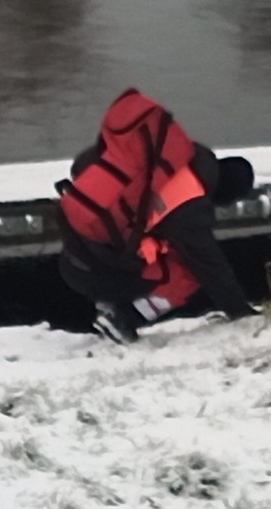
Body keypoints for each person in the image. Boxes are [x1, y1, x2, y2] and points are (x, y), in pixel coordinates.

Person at [55, 88, 260, 343]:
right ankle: (125, 318)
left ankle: (109, 304)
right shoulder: (189, 199)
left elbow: (82, 167)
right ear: (225, 194)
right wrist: (241, 312)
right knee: (188, 271)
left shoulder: (170, 156)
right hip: (95, 272)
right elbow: (210, 265)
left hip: (72, 254)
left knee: (153, 244)